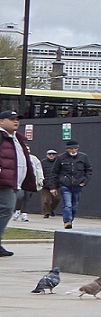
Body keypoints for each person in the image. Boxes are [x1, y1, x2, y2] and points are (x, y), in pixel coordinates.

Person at [0, 110, 35, 257]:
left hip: (14, 182)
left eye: (17, 119)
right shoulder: (2, 137)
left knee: (6, 210)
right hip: (4, 182)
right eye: (12, 119)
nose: (16, 122)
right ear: (1, 121)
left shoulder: (16, 138)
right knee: (7, 209)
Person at [52, 141, 91, 228]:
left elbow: (88, 170)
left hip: (78, 185)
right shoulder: (60, 158)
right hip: (65, 185)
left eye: (75, 148)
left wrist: (84, 181)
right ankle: (67, 221)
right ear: (67, 149)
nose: (73, 150)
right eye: (71, 149)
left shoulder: (83, 157)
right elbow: (54, 173)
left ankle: (70, 220)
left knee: (74, 206)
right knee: (67, 205)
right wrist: (53, 187)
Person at [39, 151, 59, 217]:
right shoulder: (43, 162)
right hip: (45, 185)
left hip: (55, 185)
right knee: (45, 200)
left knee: (57, 199)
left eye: (53, 154)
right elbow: (40, 172)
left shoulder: (58, 162)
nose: (51, 156)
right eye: (50, 154)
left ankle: (50, 209)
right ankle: (46, 213)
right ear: (47, 155)